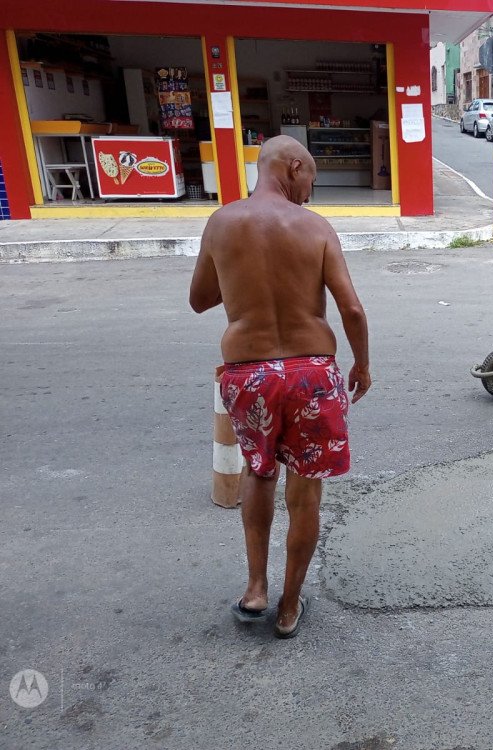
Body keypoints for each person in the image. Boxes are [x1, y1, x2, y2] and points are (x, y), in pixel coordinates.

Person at [189, 135, 370, 638]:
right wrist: (363, 366)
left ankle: (256, 588)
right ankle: (290, 607)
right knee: (305, 490)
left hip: (248, 374)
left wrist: (245, 275)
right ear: (293, 167)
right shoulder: (315, 228)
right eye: (310, 177)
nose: (311, 190)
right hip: (313, 374)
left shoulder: (222, 222)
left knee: (259, 472)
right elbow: (352, 309)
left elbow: (200, 299)